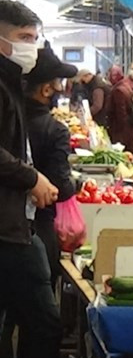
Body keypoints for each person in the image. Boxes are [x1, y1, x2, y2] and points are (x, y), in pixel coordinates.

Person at [0, 0, 94, 358]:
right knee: (42, 324)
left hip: (14, 225)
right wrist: (30, 177)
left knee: (16, 327)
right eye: (23, 35)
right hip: (10, 231)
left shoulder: (10, 86)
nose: (30, 46)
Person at [23, 47, 78, 284]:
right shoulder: (55, 130)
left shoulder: (10, 119)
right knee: (41, 315)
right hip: (39, 227)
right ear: (45, 89)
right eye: (57, 83)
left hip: (9, 223)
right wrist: (77, 184)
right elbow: (61, 187)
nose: (59, 89)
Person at [106, 64, 133, 154]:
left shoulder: (118, 90)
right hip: (128, 129)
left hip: (121, 131)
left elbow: (121, 113)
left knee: (123, 154)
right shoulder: (125, 86)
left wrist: (116, 132)